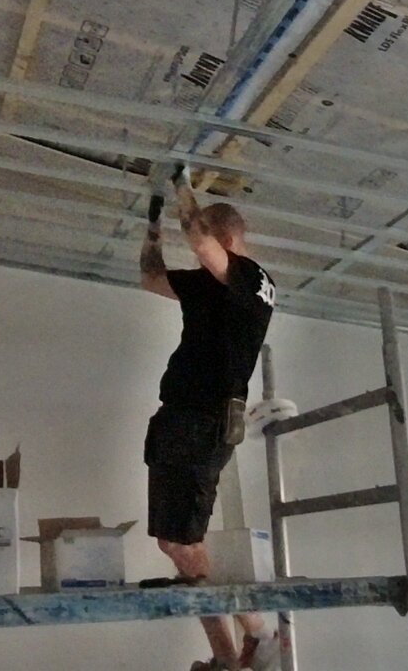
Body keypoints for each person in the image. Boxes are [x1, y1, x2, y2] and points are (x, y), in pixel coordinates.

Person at [139, 167, 281, 671]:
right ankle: (233, 651)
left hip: (205, 423)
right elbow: (150, 277)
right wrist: (153, 225)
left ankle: (257, 637)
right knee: (171, 541)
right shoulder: (205, 287)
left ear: (227, 241)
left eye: (207, 241)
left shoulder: (252, 280)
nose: (200, 250)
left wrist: (181, 183)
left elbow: (200, 242)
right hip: (178, 420)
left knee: (186, 542)